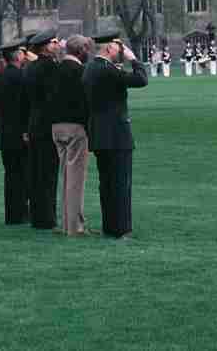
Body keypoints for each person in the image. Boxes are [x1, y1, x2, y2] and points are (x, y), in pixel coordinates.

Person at [82, 32, 148, 239]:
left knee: (107, 183)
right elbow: (141, 79)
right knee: (120, 183)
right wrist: (134, 59)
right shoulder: (106, 69)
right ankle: (120, 228)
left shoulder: (91, 68)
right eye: (119, 48)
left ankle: (110, 226)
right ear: (109, 49)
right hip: (116, 134)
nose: (121, 51)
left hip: (100, 134)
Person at [50, 35, 94, 236]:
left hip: (56, 127)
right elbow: (86, 103)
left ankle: (69, 223)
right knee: (75, 179)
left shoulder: (55, 69)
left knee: (66, 177)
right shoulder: (81, 71)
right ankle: (74, 227)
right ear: (81, 50)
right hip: (76, 127)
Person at [23, 29, 62, 230]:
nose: (57, 45)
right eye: (54, 42)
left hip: (34, 123)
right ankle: (48, 218)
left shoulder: (30, 68)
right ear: (45, 46)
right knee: (48, 174)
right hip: (48, 125)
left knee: (37, 172)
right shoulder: (51, 68)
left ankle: (38, 216)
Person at [0, 41, 30, 225]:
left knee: (11, 175)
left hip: (5, 133)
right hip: (22, 135)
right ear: (18, 55)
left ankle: (12, 215)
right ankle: (22, 212)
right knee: (24, 175)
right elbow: (25, 107)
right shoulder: (22, 77)